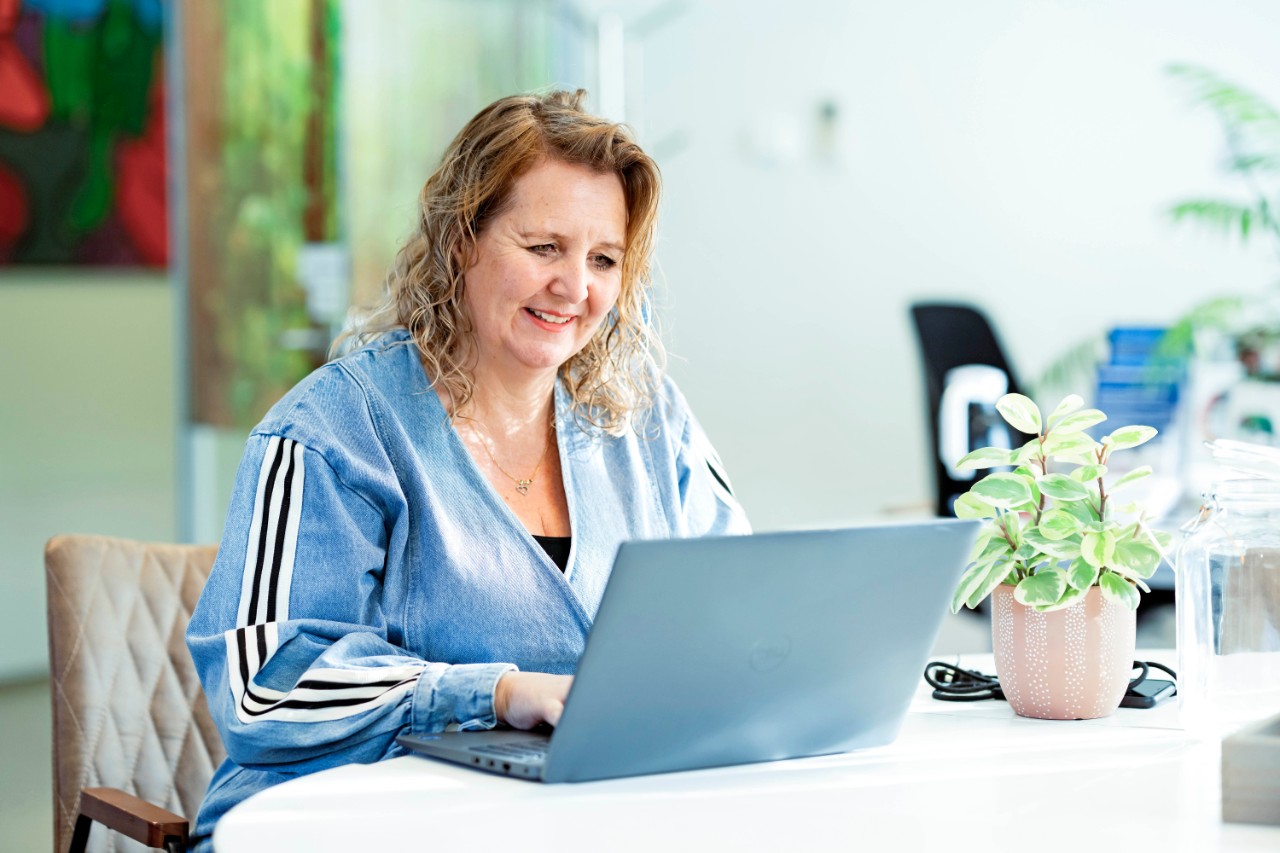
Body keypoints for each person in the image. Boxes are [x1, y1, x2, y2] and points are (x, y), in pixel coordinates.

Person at [185, 89, 750, 848]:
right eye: (543, 246)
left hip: (568, 818)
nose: (575, 287)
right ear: (461, 239)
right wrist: (498, 693)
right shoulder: (330, 430)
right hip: (342, 824)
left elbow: (738, 602)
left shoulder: (651, 420)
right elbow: (262, 688)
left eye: (603, 259)